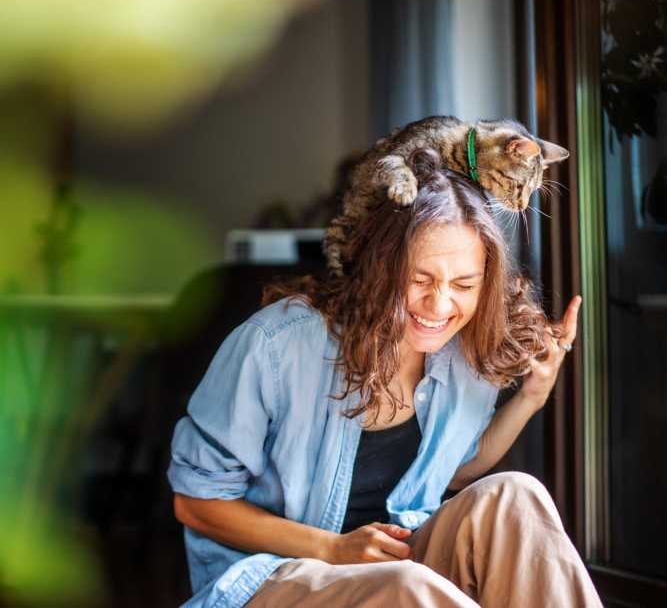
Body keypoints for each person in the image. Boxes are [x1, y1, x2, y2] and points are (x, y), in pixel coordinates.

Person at [167, 164, 602, 607]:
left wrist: (533, 394)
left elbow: (453, 470)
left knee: (516, 496)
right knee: (405, 585)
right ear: (381, 265)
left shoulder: (464, 348)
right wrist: (333, 551)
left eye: (463, 285)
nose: (440, 304)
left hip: (404, 563)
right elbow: (195, 503)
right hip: (276, 576)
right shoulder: (276, 344)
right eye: (420, 279)